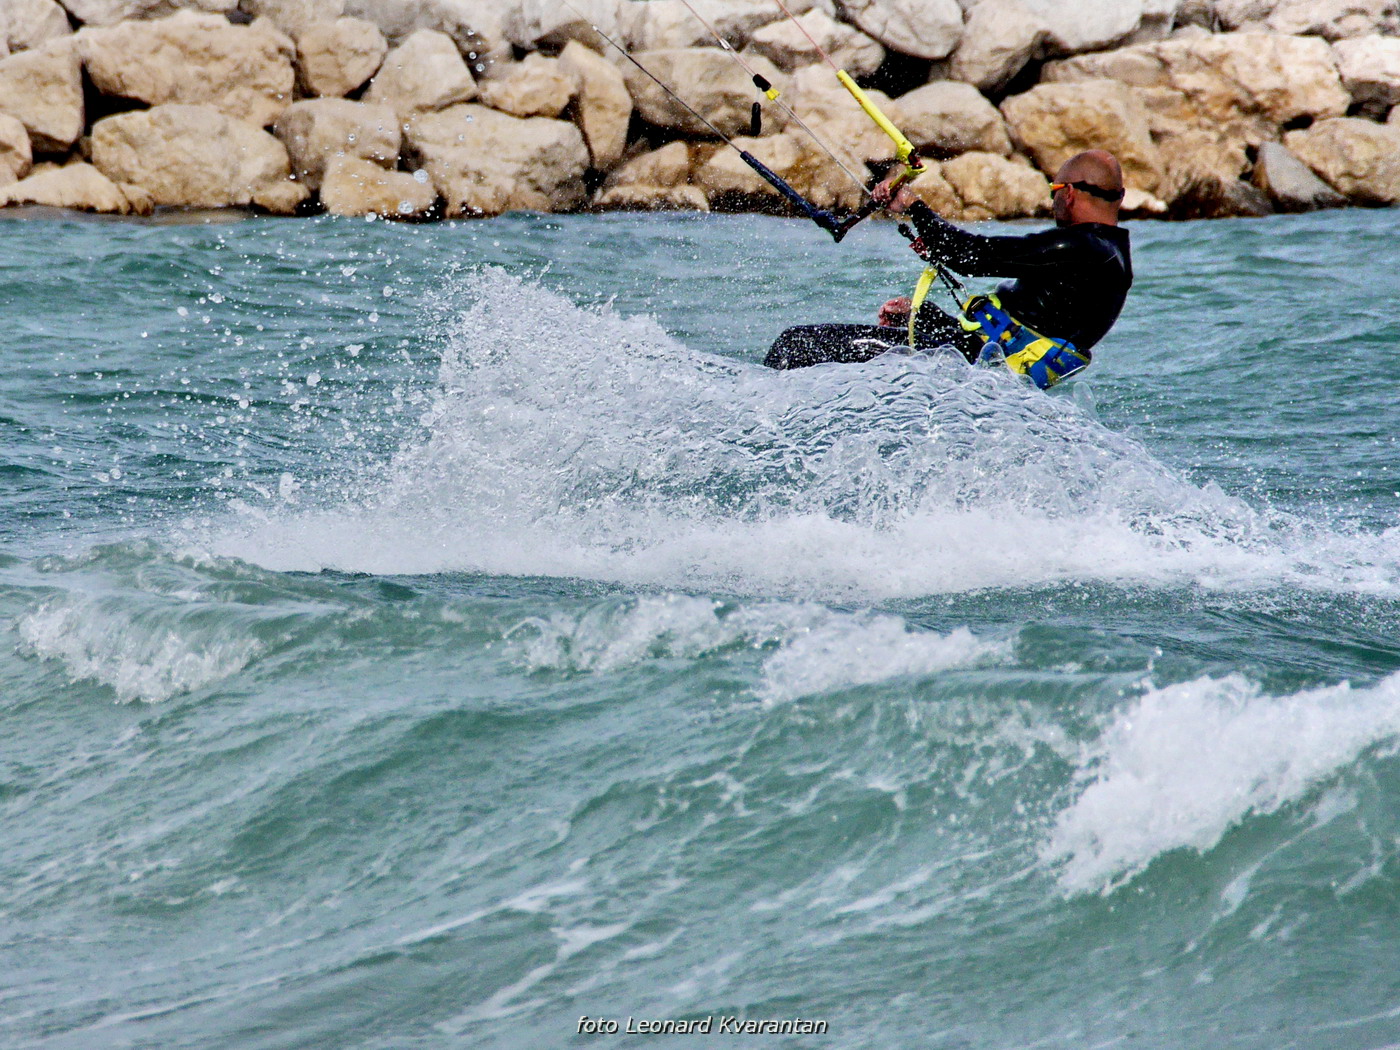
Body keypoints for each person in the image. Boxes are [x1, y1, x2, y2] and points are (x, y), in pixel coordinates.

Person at [763, 150, 1134, 390]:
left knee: (795, 345)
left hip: (963, 368)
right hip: (976, 367)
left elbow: (969, 254)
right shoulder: (1110, 257)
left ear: (1068, 192)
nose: (1052, 197)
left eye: (1054, 188)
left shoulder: (1080, 247)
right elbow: (1017, 336)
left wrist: (912, 205)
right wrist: (926, 318)